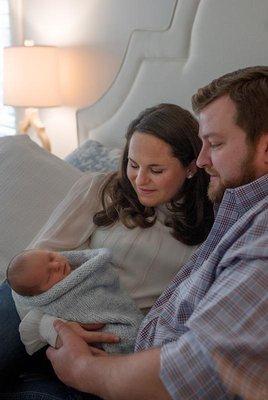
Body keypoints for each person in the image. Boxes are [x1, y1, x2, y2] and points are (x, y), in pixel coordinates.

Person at [44, 65, 268, 400]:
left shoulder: (246, 226)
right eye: (133, 165)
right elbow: (32, 263)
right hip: (63, 328)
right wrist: (51, 330)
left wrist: (82, 369)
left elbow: (197, 368)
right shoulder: (237, 208)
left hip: (112, 365)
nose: (204, 160)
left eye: (216, 144)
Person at [0, 103, 213, 396]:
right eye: (133, 164)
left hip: (106, 347)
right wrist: (52, 327)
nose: (140, 180)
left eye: (156, 170)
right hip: (41, 314)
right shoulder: (103, 189)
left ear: (191, 167)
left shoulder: (211, 230)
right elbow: (29, 272)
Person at [7, 248, 143, 355]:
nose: (56, 265)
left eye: (51, 257)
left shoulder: (83, 265)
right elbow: (93, 319)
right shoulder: (57, 299)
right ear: (44, 294)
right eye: (49, 275)